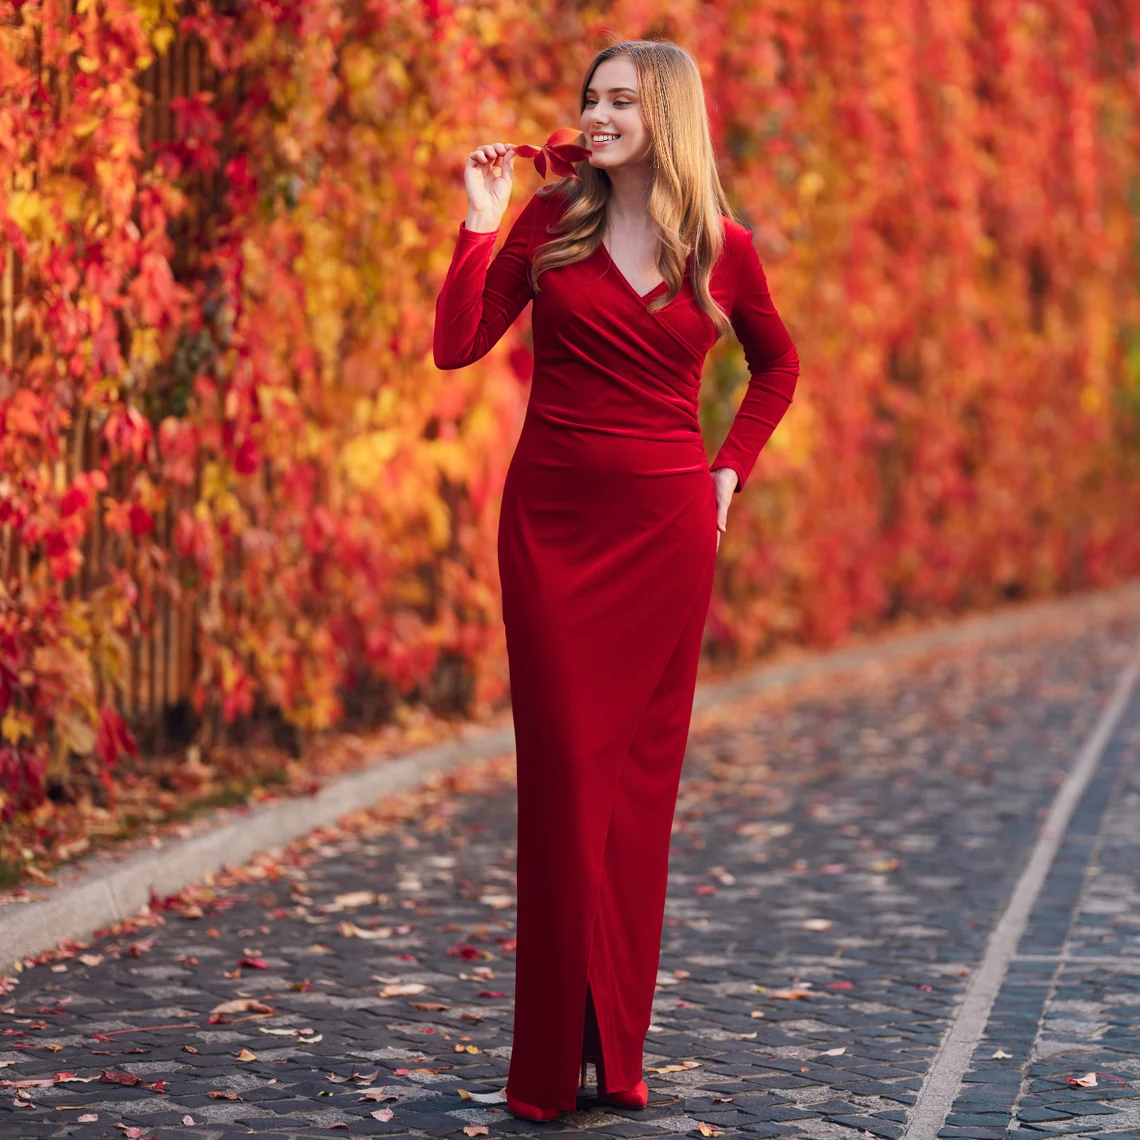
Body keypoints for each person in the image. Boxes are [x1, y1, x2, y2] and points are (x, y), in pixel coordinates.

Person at [433, 38, 799, 1123]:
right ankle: (546, 1064)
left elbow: (779, 367)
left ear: (665, 114)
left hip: (667, 533)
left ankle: (615, 1053)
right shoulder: (550, 223)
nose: (594, 116)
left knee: (638, 797)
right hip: (551, 529)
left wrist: (730, 471)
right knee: (561, 785)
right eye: (589, 99)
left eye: (619, 101)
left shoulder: (722, 248)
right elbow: (457, 344)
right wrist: (481, 216)